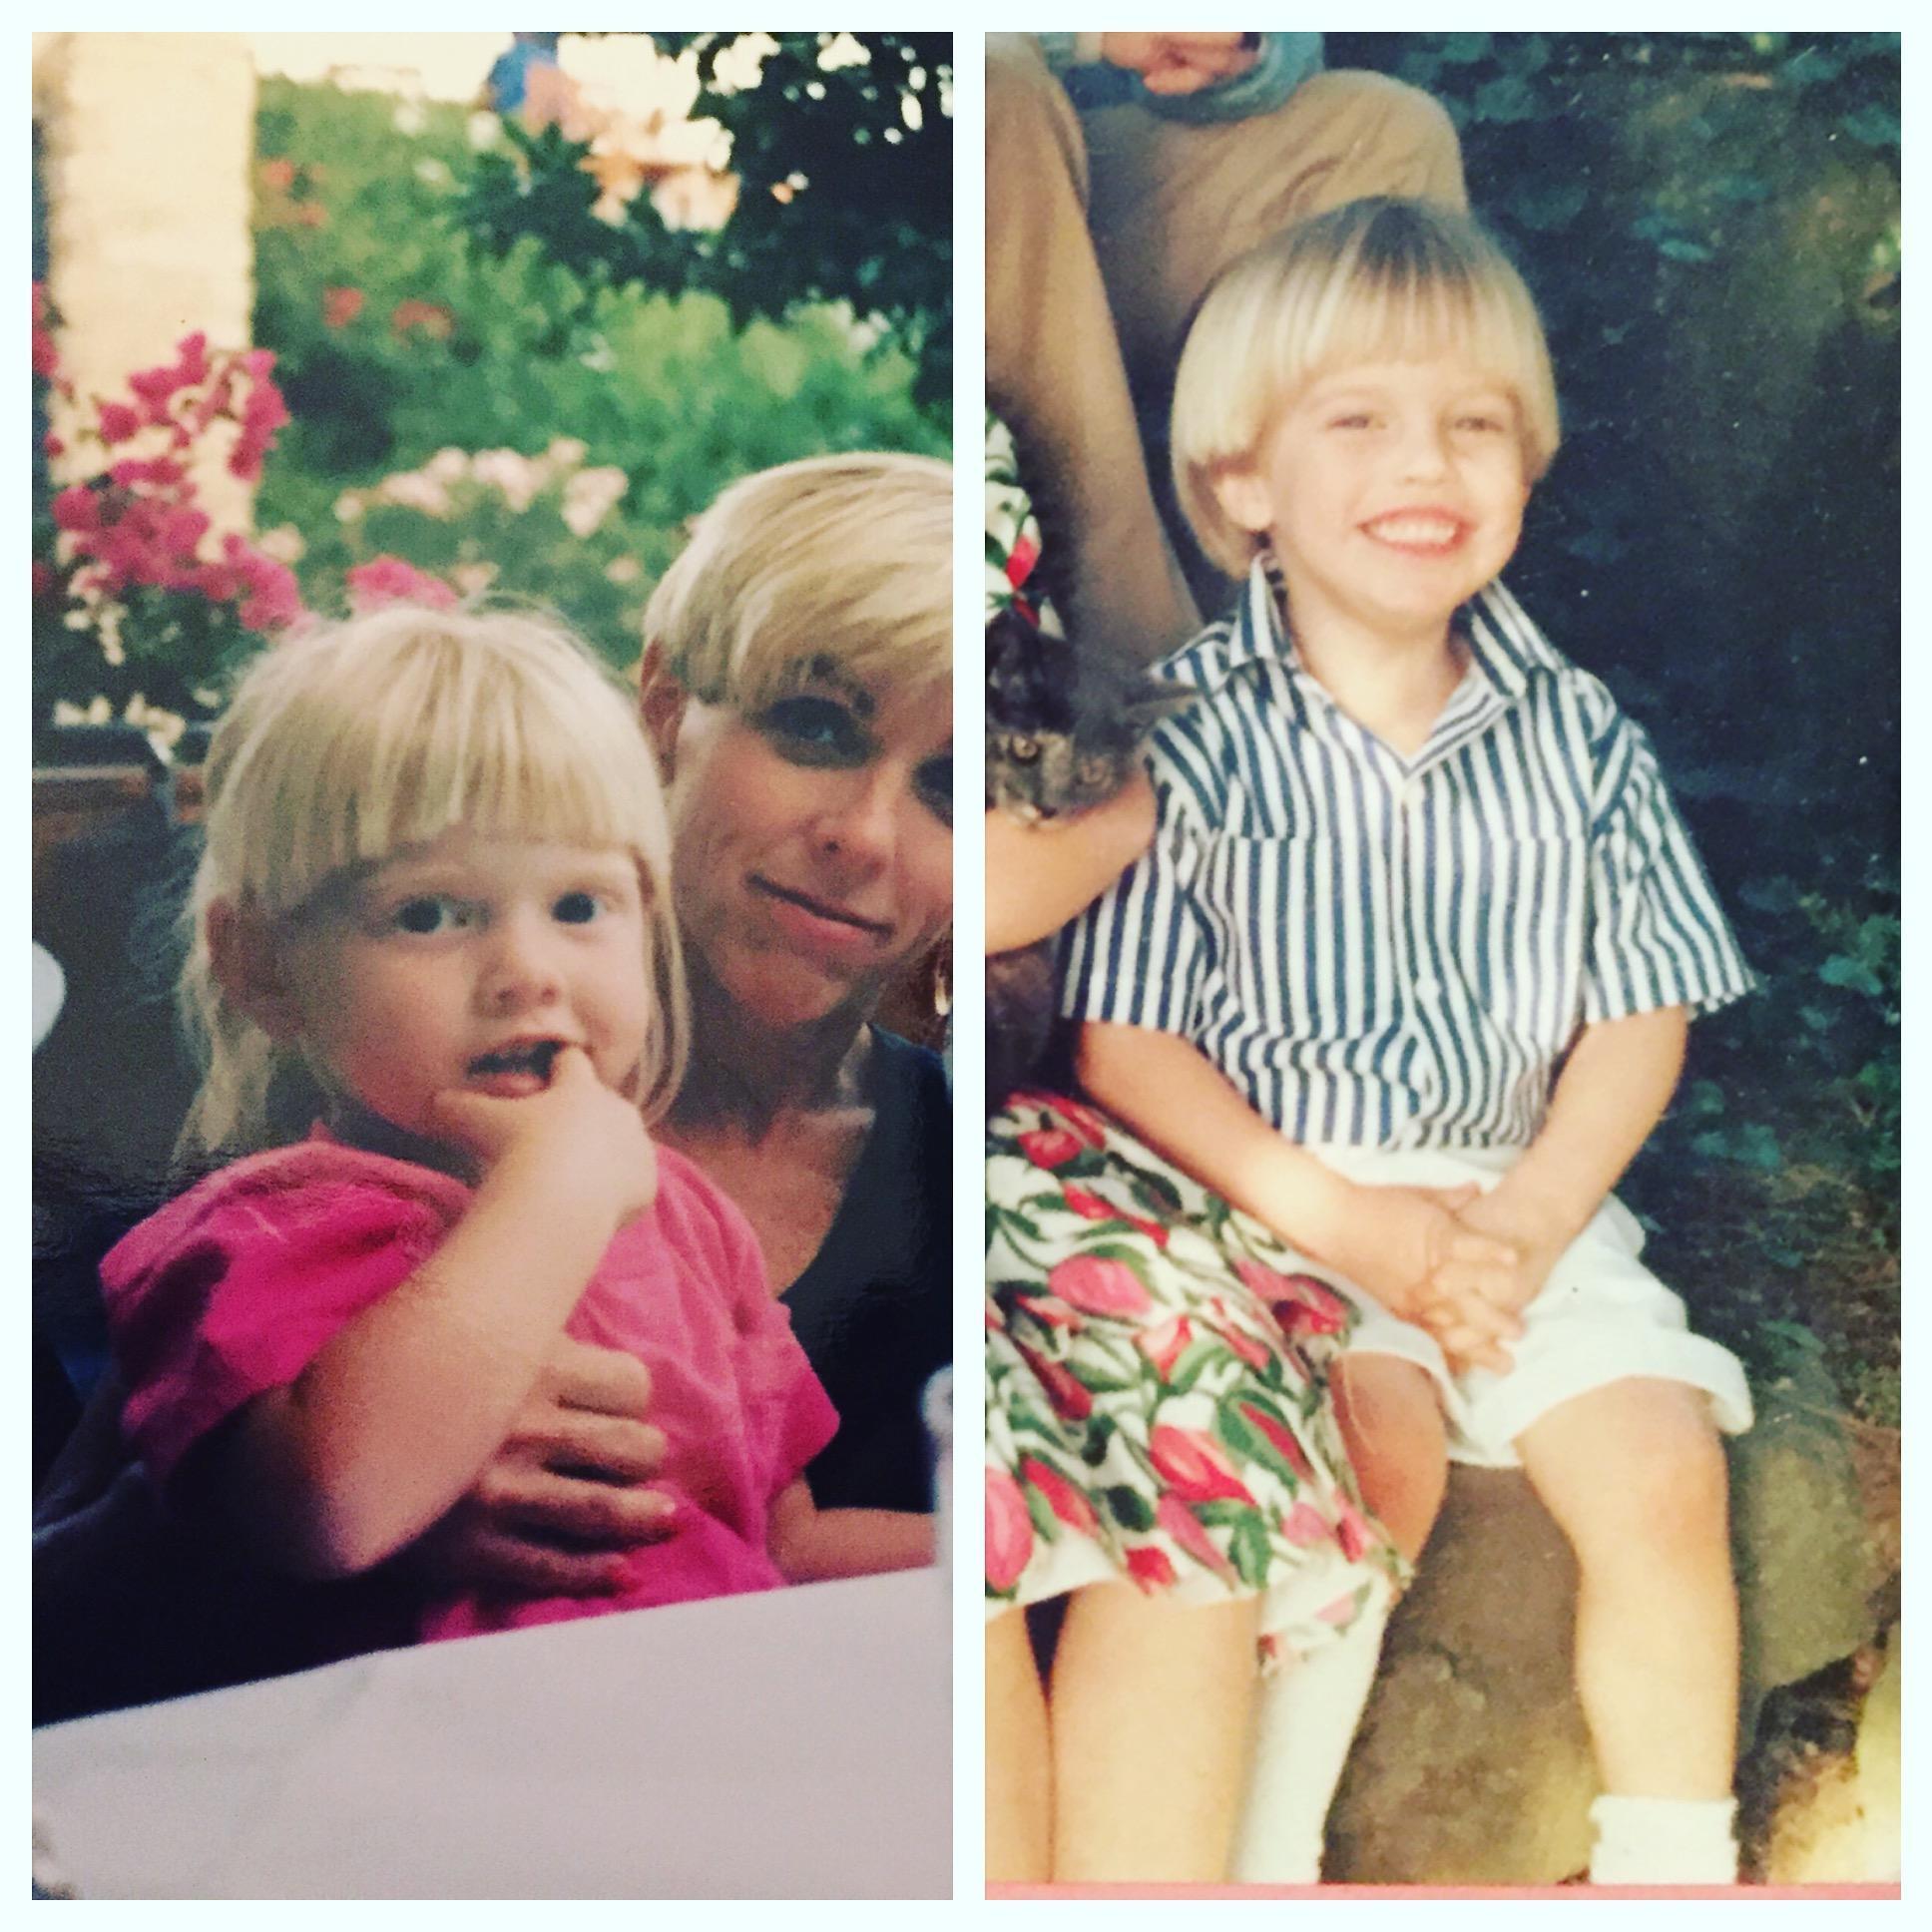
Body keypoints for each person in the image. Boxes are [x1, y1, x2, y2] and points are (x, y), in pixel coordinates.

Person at [1064, 198, 1756, 1885]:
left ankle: (1674, 1864)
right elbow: (1128, 1053)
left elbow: (1641, 1007)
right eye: (1358, 421)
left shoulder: (1579, 736)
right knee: (1366, 1459)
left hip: (1526, 1205)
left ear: (1527, 464)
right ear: (1244, 480)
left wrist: (1527, 1220)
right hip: (1282, 1216)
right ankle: (1262, 1868)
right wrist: (1359, 1229)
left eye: (1474, 425)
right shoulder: (1188, 735)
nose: (1424, 464)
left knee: (1661, 1468)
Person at [35, 451, 952, 1714]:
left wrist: (1030, 1535)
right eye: (815, 726)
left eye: (579, 907)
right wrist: (551, 1201)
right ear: (666, 711)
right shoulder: (281, 1206)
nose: (526, 972)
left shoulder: (715, 1224)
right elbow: (316, 1504)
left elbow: (777, 1540)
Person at [983, 408, 1413, 1886]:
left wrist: (1079, 838)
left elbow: (1092, 812)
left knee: (1197, 1376)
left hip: (1013, 1136)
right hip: (877, 1133)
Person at [987, 32, 1466, 673]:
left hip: (1115, 158)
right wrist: (1090, 33)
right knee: (994, 76)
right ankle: (1140, 658)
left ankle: (1340, 667)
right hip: (1005, 137)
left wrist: (1242, 49)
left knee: (1391, 130)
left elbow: (1287, 52)